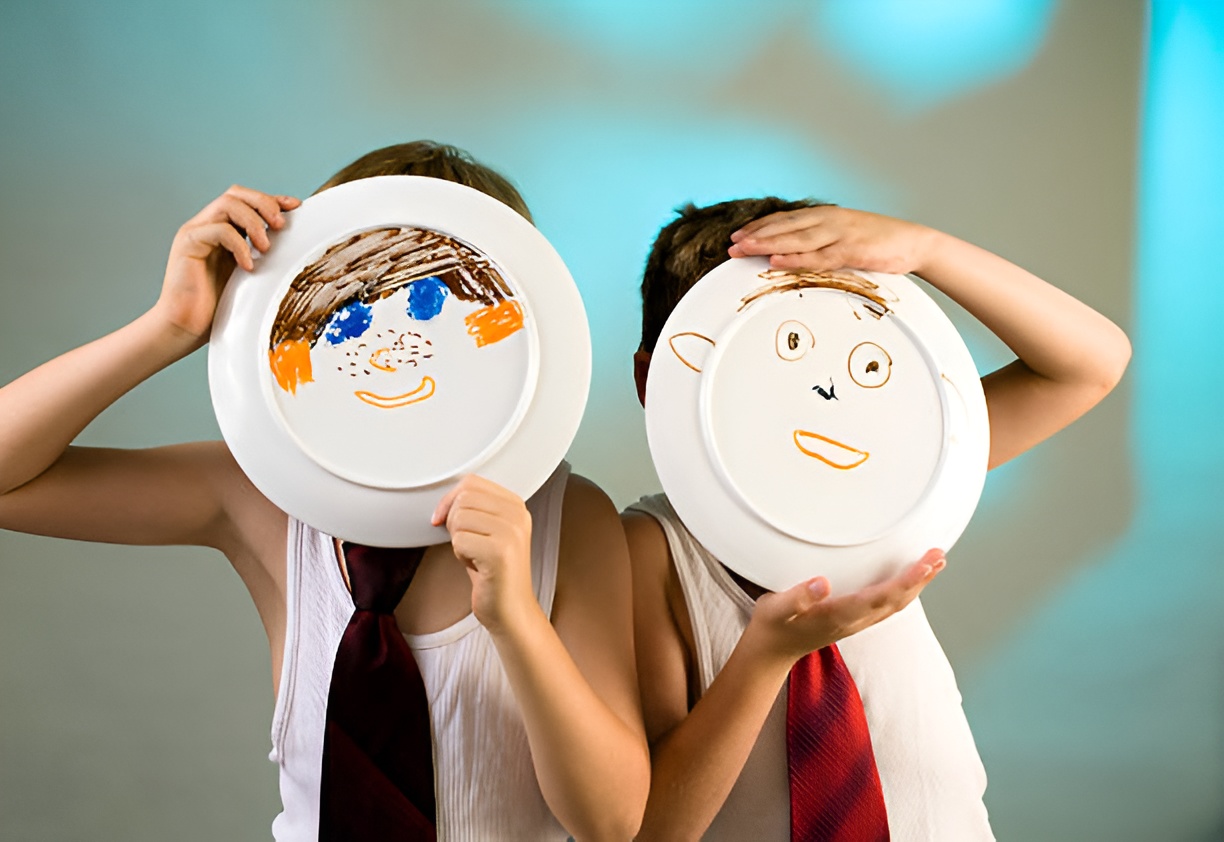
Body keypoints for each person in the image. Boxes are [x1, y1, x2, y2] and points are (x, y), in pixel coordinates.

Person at [0, 141, 649, 841]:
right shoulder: (258, 495)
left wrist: (516, 618)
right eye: (351, 312)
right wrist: (170, 328)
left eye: (433, 308)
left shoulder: (563, 519)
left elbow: (611, 823)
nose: (391, 346)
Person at [623, 198, 1131, 840]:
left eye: (857, 363)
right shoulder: (647, 551)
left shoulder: (903, 484)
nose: (824, 391)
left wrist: (928, 250)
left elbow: (1091, 364)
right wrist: (766, 656)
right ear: (654, 381)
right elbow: (653, 828)